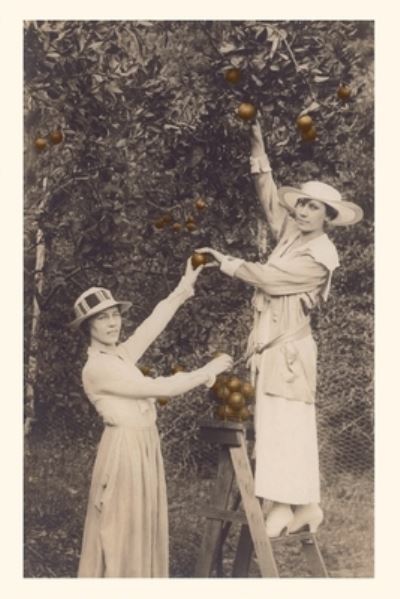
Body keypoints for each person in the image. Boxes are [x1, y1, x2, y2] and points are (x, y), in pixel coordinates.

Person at [197, 119, 363, 538]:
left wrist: (228, 262)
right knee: (281, 424)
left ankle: (280, 505)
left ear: (328, 217)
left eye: (314, 208)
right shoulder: (293, 236)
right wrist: (258, 144)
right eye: (302, 204)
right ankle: (306, 505)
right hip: (275, 347)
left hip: (289, 352)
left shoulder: (319, 255)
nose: (303, 212)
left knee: (284, 424)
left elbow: (270, 280)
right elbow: (270, 200)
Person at [68, 257, 233, 577]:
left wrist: (184, 287)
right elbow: (156, 387)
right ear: (88, 327)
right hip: (124, 450)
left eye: (115, 315)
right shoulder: (97, 368)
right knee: (119, 530)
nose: (112, 323)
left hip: (144, 445)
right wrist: (207, 372)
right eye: (102, 319)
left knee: (141, 526)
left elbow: (152, 325)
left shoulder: (120, 355)